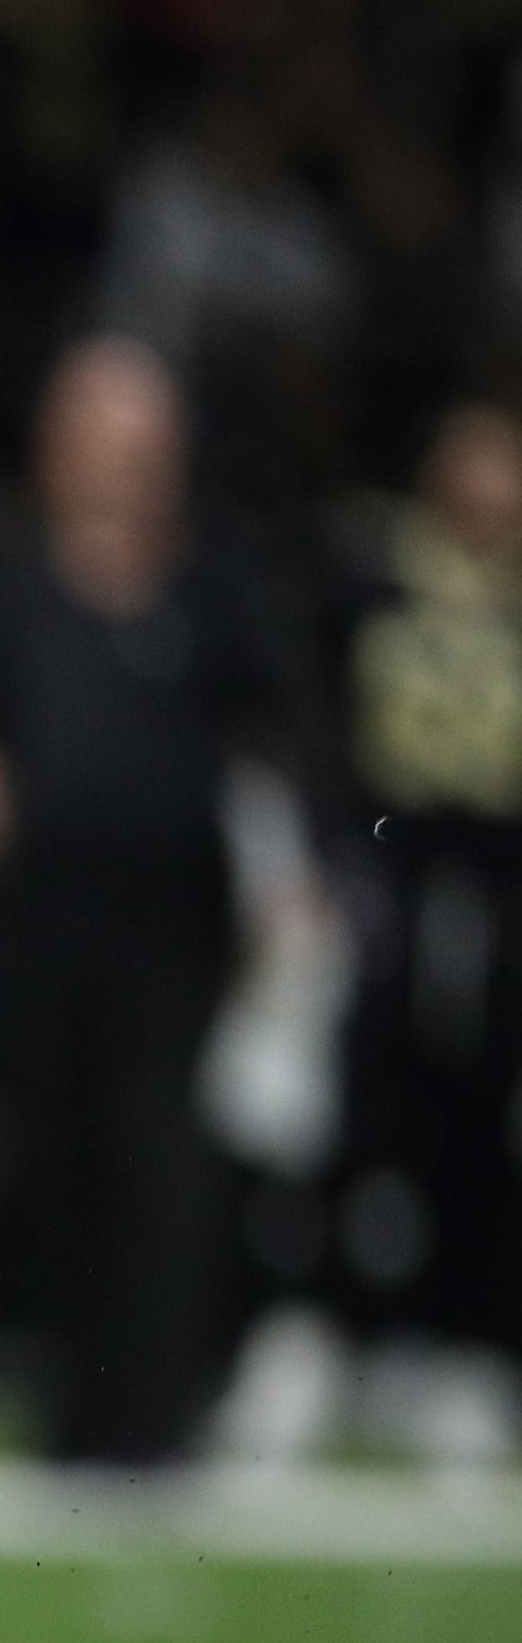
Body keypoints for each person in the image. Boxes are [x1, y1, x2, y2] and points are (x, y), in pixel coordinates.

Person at [0, 338, 328, 1464]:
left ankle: (154, 1414)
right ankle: (69, 1408)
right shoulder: (7, 586)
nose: (125, 466)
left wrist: (294, 878)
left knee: (163, 1166)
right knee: (56, 1165)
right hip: (36, 918)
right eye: (103, 441)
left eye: (144, 445)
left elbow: (280, 736)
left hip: (174, 924)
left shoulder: (213, 586)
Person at [330, 399, 522, 1396]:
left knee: (485, 1108)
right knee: (367, 1097)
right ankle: (346, 1322)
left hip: (499, 876)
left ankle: (468, 1332)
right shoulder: (373, 571)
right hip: (391, 859)